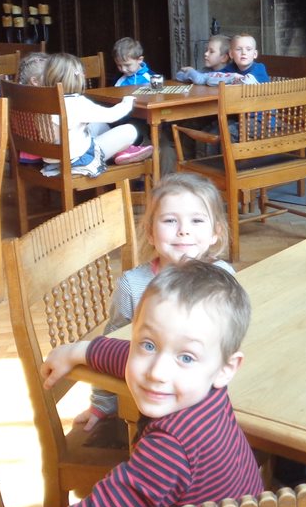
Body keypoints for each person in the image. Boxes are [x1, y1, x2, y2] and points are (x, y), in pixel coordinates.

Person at [41, 260, 264, 507]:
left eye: (186, 357)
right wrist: (81, 351)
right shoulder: (207, 384)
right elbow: (128, 355)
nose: (157, 372)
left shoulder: (169, 450)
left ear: (226, 369)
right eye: (149, 345)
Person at [75, 173, 233, 434]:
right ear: (150, 233)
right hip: (151, 405)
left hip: (210, 405)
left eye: (196, 220)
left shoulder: (224, 277)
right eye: (170, 220)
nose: (183, 230)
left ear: (215, 232)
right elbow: (111, 342)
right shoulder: (133, 286)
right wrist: (103, 403)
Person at [42, 53, 152, 175]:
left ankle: (121, 151)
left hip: (53, 159)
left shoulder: (43, 101)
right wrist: (127, 102)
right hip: (77, 160)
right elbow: (112, 115)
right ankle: (121, 151)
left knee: (99, 124)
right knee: (130, 130)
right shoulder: (76, 102)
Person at [176, 34, 251, 85]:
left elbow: (198, 79)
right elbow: (178, 75)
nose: (206, 53)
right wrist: (190, 75)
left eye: (211, 51)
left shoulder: (230, 74)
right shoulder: (207, 70)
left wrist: (190, 71)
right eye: (206, 50)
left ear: (224, 58)